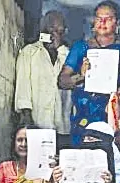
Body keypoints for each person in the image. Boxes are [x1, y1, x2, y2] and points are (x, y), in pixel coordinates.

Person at [58, 1, 120, 144]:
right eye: (98, 18)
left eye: (108, 19)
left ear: (117, 23)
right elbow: (62, 81)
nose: (102, 22)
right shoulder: (80, 48)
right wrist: (81, 76)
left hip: (114, 118)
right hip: (83, 119)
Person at [15, 10, 72, 139]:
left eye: (59, 30)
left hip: (62, 127)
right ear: (43, 29)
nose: (53, 34)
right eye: (50, 28)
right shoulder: (29, 53)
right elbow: (23, 89)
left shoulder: (68, 56)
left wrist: (58, 49)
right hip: (37, 125)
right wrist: (27, 122)